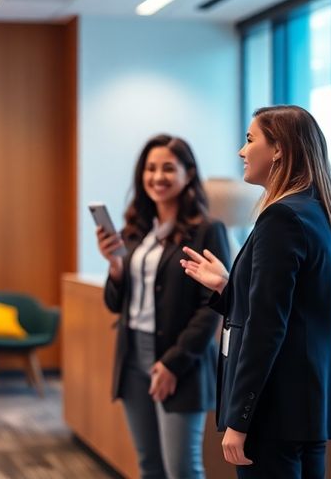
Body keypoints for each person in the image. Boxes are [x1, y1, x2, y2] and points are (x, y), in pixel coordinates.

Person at [180, 105, 331, 478]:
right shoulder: (321, 212)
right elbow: (298, 311)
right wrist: (228, 284)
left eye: (250, 139)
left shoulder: (281, 218)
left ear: (278, 149)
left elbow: (266, 328)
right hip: (307, 406)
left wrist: (239, 418)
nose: (242, 151)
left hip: (274, 409)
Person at [96, 134, 231, 479]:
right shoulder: (134, 232)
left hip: (181, 362)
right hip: (132, 359)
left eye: (168, 168)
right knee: (149, 467)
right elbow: (115, 304)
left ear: (189, 173)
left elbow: (212, 307)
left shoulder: (207, 230)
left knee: (182, 470)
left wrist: (173, 363)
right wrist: (115, 267)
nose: (158, 176)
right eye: (151, 168)